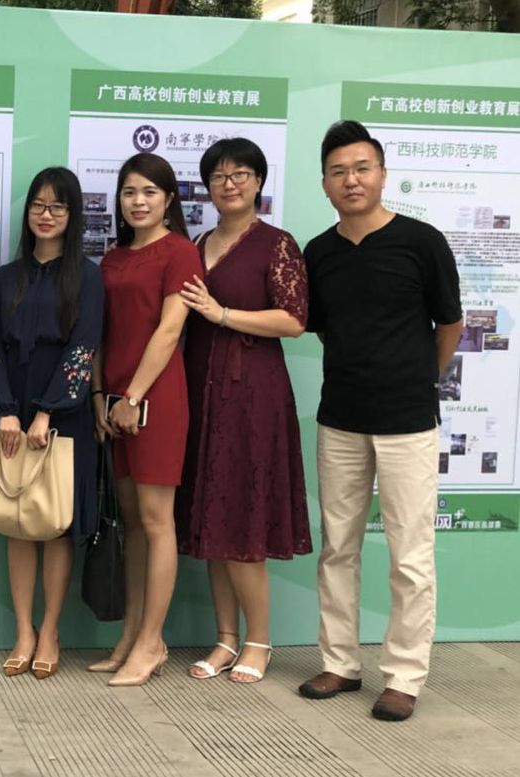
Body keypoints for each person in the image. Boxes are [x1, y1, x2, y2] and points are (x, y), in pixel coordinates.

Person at [298, 121, 462, 722]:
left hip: (408, 420)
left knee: (409, 555)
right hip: (340, 417)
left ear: (383, 174)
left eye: (362, 168)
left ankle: (404, 676)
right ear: (324, 183)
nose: (352, 180)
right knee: (337, 547)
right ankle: (340, 662)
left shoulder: (422, 241)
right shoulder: (319, 252)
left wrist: (418, 378)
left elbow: (450, 324)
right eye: (339, 171)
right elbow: (320, 326)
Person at [174, 138, 312, 685]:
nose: (228, 184)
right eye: (218, 176)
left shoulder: (277, 244)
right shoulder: (198, 242)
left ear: (258, 182)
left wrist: (223, 313)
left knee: (243, 518)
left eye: (240, 174)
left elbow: (294, 320)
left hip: (253, 392)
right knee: (213, 516)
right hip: (201, 388)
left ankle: (259, 641)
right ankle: (226, 638)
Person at [0, 166, 103, 681]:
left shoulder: (88, 277)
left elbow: (83, 348)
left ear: (72, 215)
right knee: (17, 522)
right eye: (38, 204)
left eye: (57, 206)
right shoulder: (7, 277)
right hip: (12, 414)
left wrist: (49, 411)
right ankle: (23, 631)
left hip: (64, 416)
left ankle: (51, 630)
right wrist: (7, 410)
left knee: (55, 525)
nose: (46, 214)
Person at [92, 153, 199, 687]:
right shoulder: (111, 259)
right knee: (132, 523)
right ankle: (130, 636)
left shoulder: (180, 252)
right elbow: (101, 334)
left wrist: (132, 396)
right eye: (130, 192)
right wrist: (100, 398)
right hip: (114, 404)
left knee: (158, 523)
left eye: (150, 192)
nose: (138, 201)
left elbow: (169, 331)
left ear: (169, 200)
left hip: (155, 400)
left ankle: (153, 642)